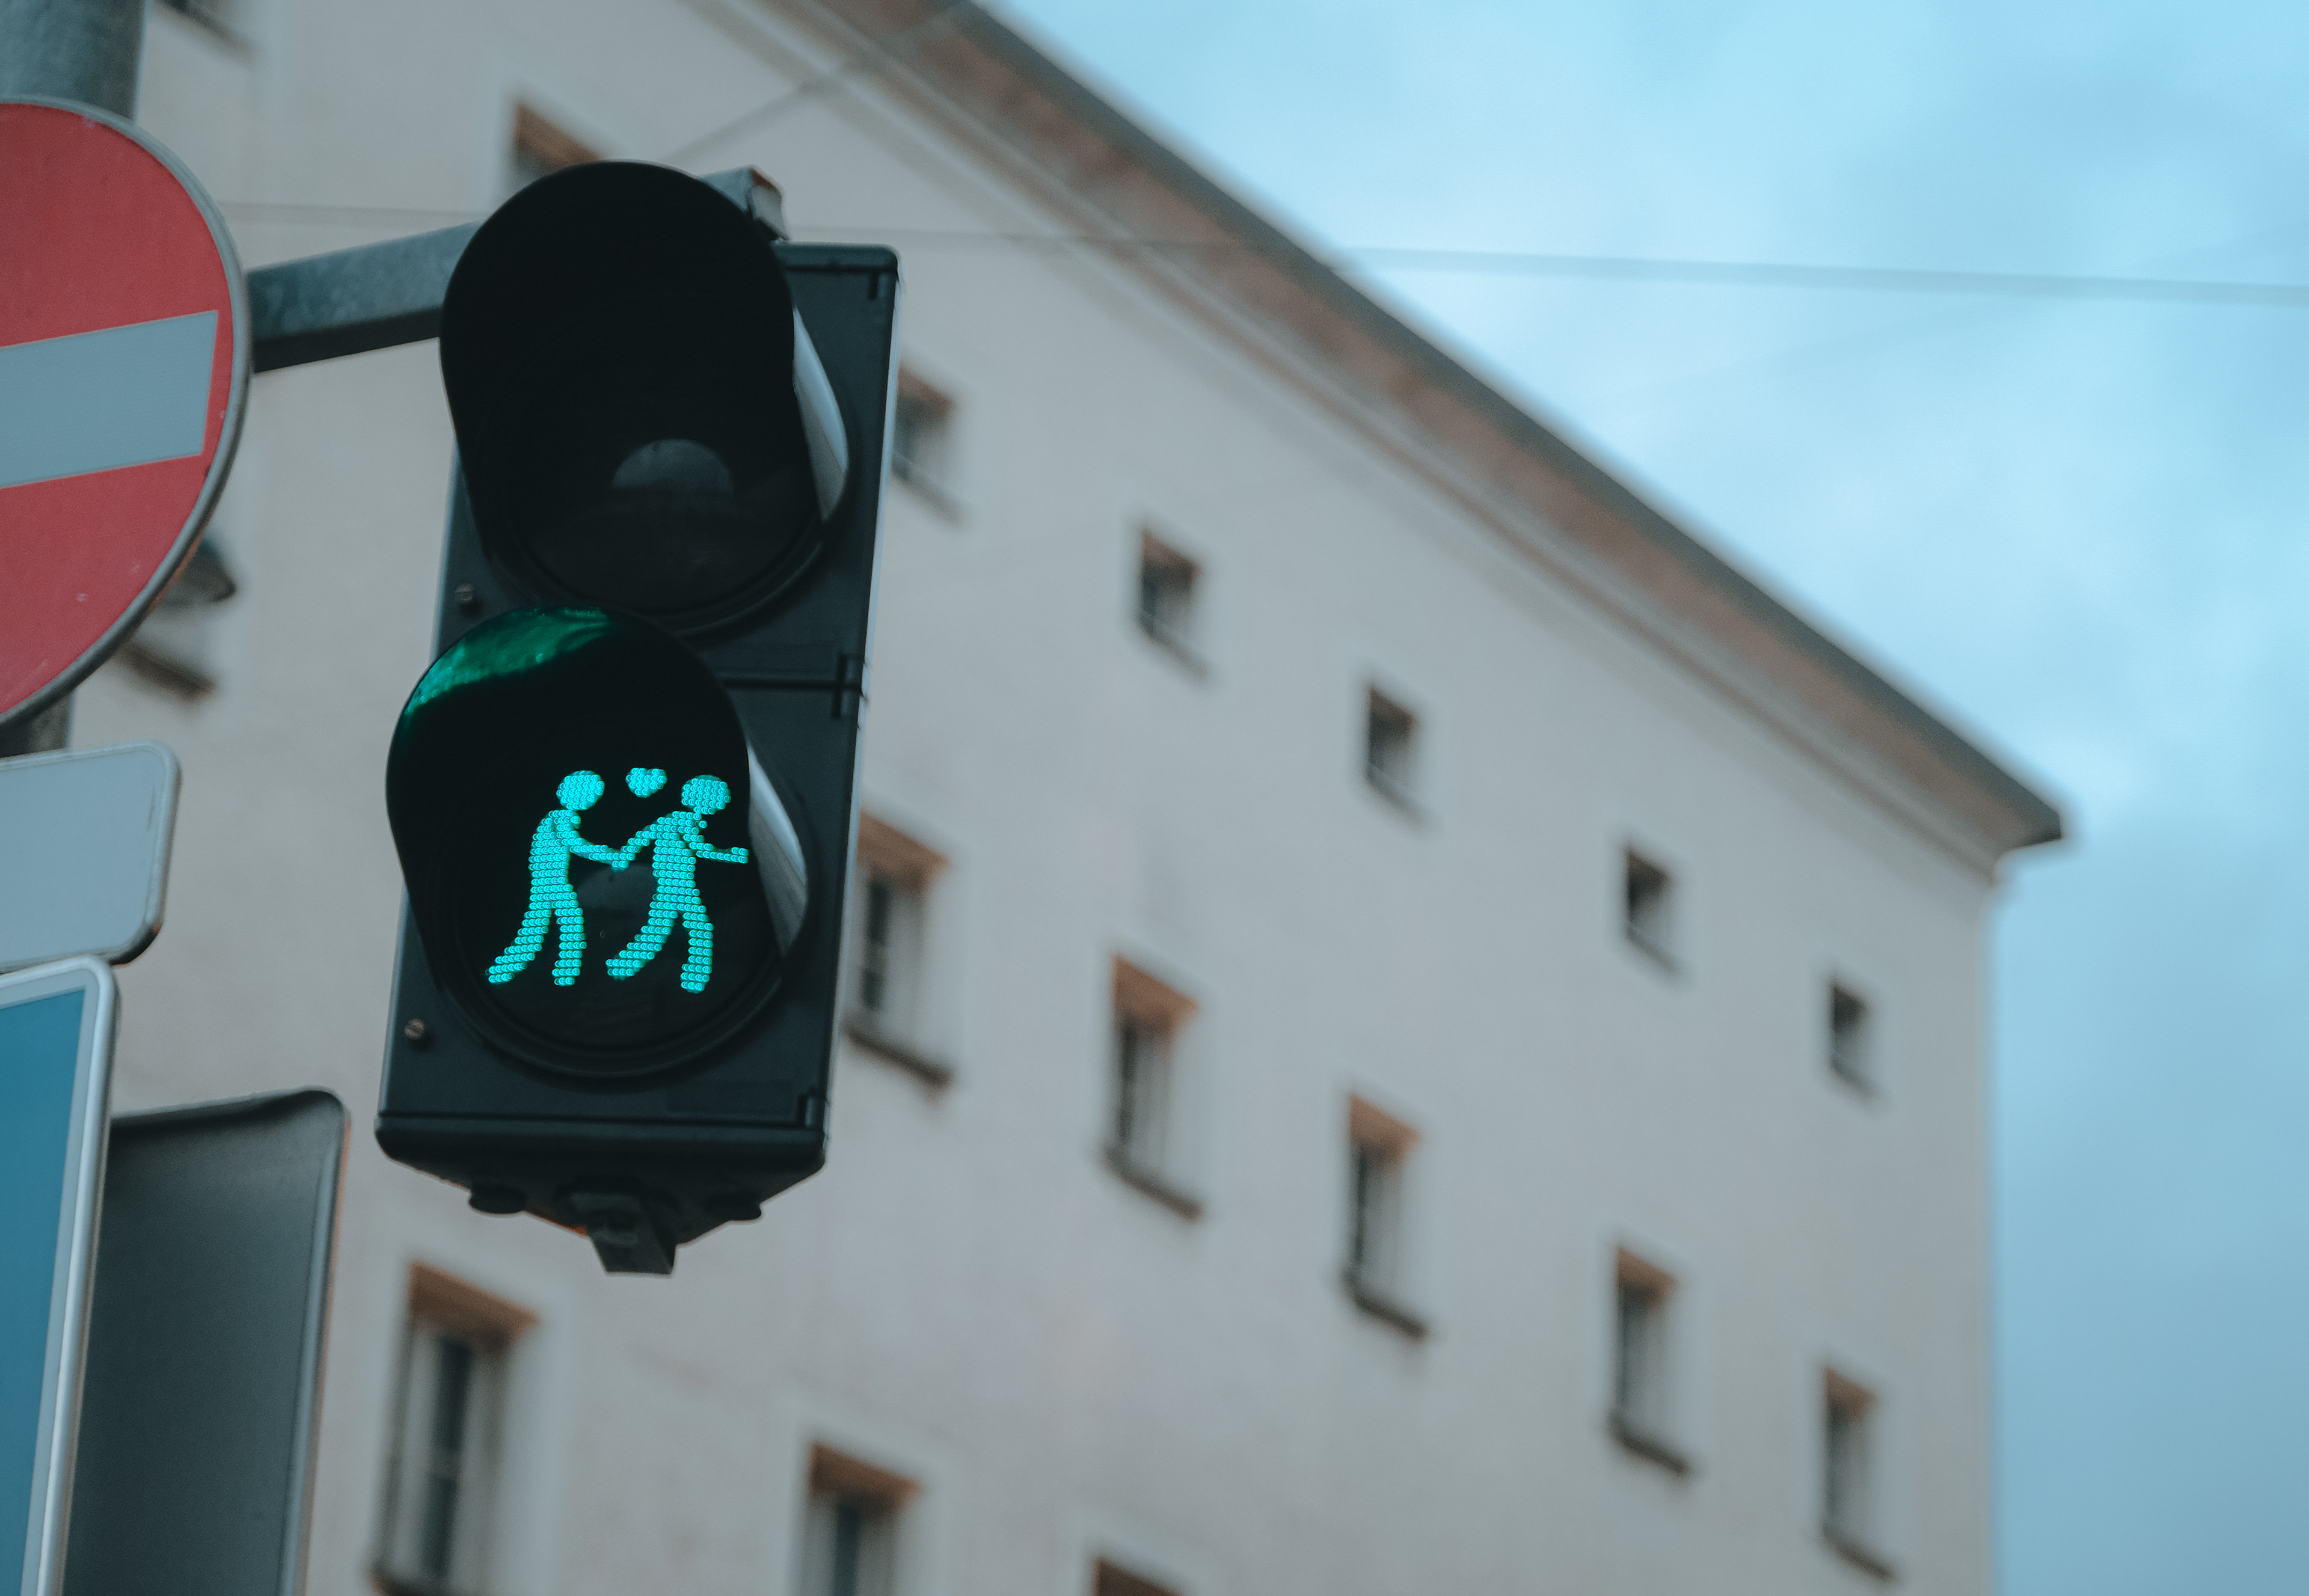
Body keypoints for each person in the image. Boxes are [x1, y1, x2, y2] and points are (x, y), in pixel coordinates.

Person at [606, 774, 750, 992]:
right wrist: (732, 855)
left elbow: (643, 836)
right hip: (677, 885)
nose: (717, 805)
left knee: (661, 930)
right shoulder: (683, 820)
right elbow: (701, 849)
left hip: (673, 884)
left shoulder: (676, 819)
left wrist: (625, 855)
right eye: (715, 800)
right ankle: (694, 976)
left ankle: (624, 966)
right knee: (696, 928)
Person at [487, 769, 623, 987]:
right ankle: (563, 973)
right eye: (591, 796)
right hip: (552, 884)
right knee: (560, 926)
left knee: (541, 929)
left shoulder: (552, 819)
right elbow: (578, 846)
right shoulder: (560, 818)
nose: (592, 801)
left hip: (546, 883)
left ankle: (523, 970)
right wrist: (611, 855)